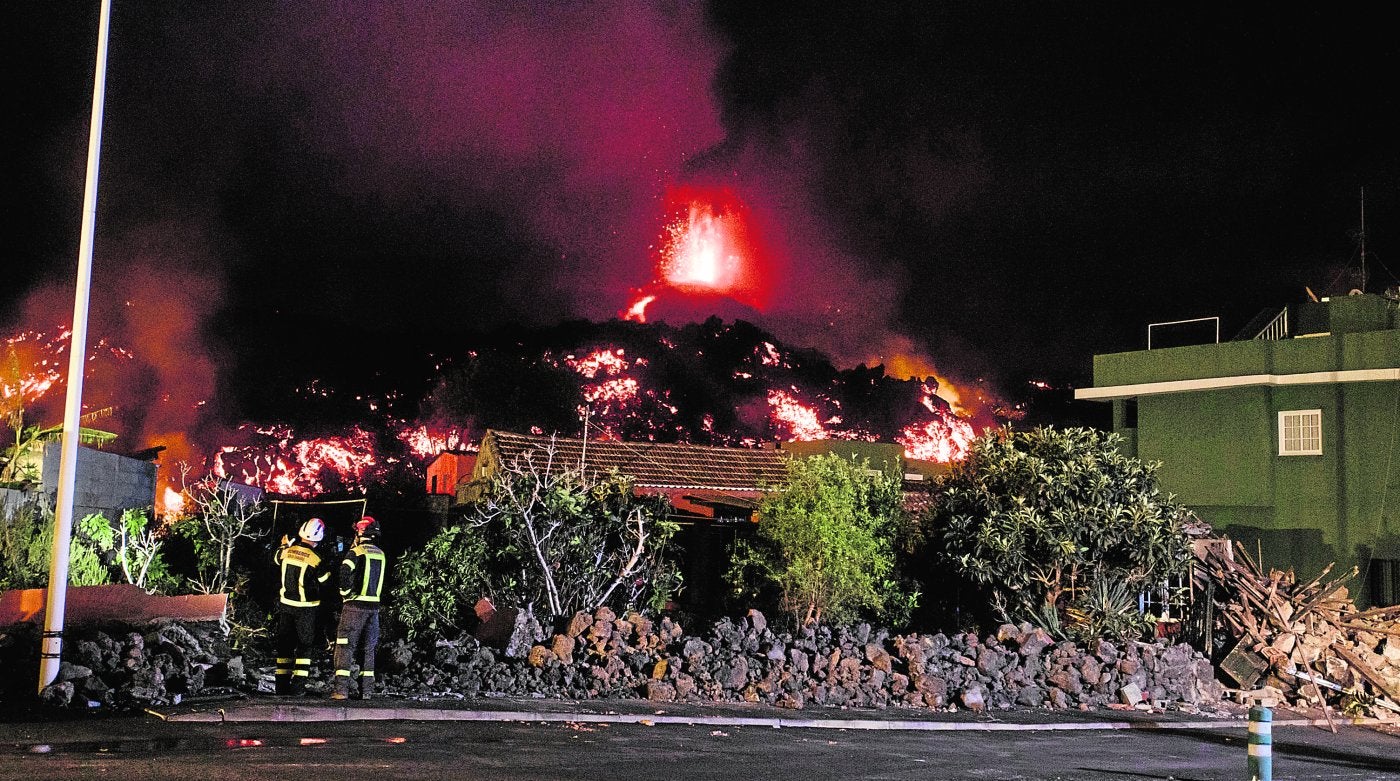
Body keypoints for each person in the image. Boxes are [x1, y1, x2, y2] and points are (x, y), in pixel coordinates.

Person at [330, 516, 388, 700]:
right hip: (374, 608)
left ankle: (341, 691)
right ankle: (367, 692)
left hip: (354, 606)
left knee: (345, 647)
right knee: (368, 649)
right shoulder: (380, 553)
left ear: (360, 532)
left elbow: (344, 572)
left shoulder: (356, 552)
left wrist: (345, 593)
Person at [273, 518, 332, 695]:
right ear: (319, 537)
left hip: (285, 606)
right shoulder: (315, 558)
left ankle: (281, 687)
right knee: (305, 646)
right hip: (306, 607)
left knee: (284, 646)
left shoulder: (286, 552)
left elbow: (276, 558)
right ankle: (298, 687)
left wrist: (283, 545)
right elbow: (324, 580)